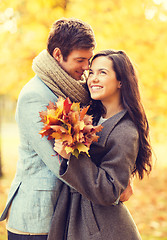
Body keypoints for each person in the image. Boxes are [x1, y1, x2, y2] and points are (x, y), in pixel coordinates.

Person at [0, 19, 132, 239]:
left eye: (89, 60)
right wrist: (114, 186)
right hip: (37, 218)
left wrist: (120, 175)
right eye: (80, 60)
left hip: (65, 216)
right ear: (58, 55)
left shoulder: (72, 91)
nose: (86, 68)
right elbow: (60, 161)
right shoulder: (36, 96)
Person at [47, 50, 153, 240]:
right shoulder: (91, 116)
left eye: (102, 73)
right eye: (92, 73)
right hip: (72, 214)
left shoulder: (126, 131)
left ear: (121, 81)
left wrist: (70, 156)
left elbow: (110, 190)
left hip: (101, 227)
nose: (93, 79)